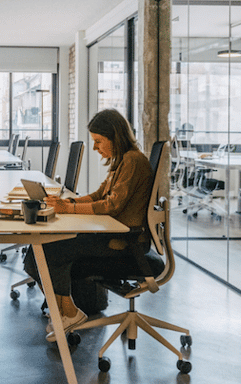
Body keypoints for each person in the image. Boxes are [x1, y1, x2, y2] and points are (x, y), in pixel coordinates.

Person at [23, 109, 153, 341]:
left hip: (124, 242)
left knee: (50, 248)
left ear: (115, 136)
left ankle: (68, 313)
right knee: (38, 250)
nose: (95, 148)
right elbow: (97, 195)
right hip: (112, 234)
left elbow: (111, 206)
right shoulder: (121, 161)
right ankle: (64, 313)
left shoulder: (133, 160)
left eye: (99, 141)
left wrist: (68, 208)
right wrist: (67, 203)